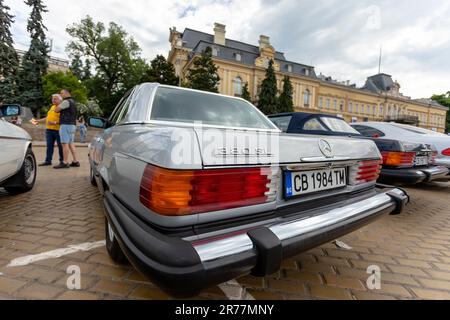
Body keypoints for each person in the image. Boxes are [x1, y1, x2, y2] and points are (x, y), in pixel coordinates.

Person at [32, 94, 64, 166]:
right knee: (49, 146)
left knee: (60, 146)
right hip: (49, 130)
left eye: (55, 99)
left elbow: (65, 120)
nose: (53, 100)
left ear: (60, 100)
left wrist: (55, 122)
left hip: (58, 130)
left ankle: (62, 161)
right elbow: (48, 118)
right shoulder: (52, 107)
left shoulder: (61, 108)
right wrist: (38, 121)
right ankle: (48, 161)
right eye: (52, 98)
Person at [53, 89, 80, 169]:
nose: (60, 95)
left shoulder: (66, 101)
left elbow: (56, 110)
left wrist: (58, 103)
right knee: (71, 144)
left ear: (66, 93)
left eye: (61, 93)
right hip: (72, 125)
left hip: (65, 125)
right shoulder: (73, 102)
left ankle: (65, 162)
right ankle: (75, 161)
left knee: (64, 144)